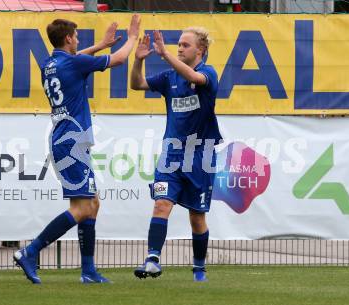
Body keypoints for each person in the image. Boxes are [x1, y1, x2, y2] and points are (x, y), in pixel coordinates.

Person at [14, 15, 141, 284]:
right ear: (69, 38)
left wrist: (101, 44)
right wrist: (131, 39)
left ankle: (88, 271)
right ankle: (31, 251)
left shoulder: (50, 64)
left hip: (69, 140)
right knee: (83, 207)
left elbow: (77, 58)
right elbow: (117, 60)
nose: (79, 40)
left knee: (92, 204)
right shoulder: (72, 62)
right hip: (71, 142)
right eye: (77, 36)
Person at [130, 28, 222, 282]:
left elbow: (193, 75)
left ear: (200, 50)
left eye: (185, 45)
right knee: (161, 205)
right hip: (171, 156)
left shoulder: (208, 73)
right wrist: (138, 59)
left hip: (199, 158)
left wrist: (165, 54)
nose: (180, 48)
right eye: (178, 45)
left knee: (196, 218)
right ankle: (152, 260)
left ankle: (199, 268)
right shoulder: (169, 77)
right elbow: (136, 84)